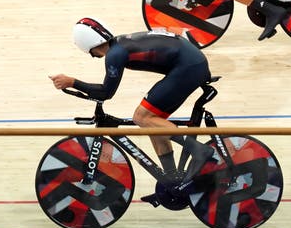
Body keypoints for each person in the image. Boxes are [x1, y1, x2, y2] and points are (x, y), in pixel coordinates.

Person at [49, 17, 215, 182]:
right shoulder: (119, 44)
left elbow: (106, 93)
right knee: (153, 123)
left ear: (87, 46)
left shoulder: (115, 54)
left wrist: (72, 82)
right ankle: (172, 179)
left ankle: (199, 150)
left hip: (189, 67)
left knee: (141, 117)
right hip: (190, 63)